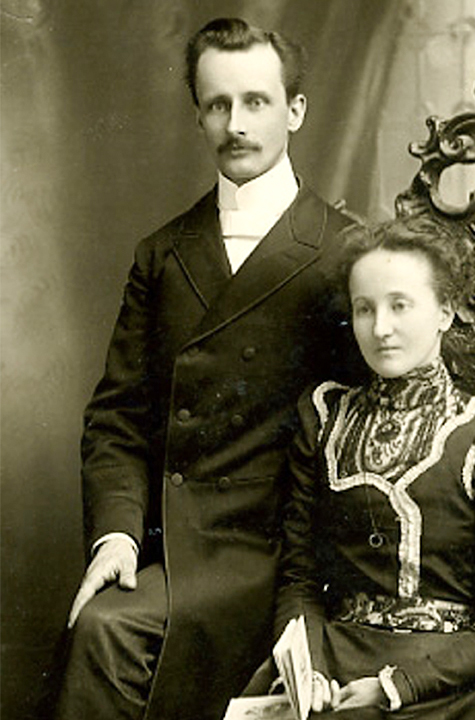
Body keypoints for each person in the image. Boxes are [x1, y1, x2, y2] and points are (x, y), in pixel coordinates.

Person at [53, 17, 362, 720]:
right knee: (101, 625)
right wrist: (117, 534)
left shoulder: (344, 251)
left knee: (112, 637)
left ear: (296, 111)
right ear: (197, 114)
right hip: (179, 537)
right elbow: (118, 416)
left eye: (256, 101)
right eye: (217, 104)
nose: (236, 123)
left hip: (288, 546)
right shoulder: (162, 254)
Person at [266, 215, 475, 719]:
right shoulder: (325, 421)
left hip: (444, 679)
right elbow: (299, 577)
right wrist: (305, 669)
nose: (380, 328)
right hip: (330, 666)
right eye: (364, 309)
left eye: (400, 306)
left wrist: (400, 685)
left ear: (445, 310)